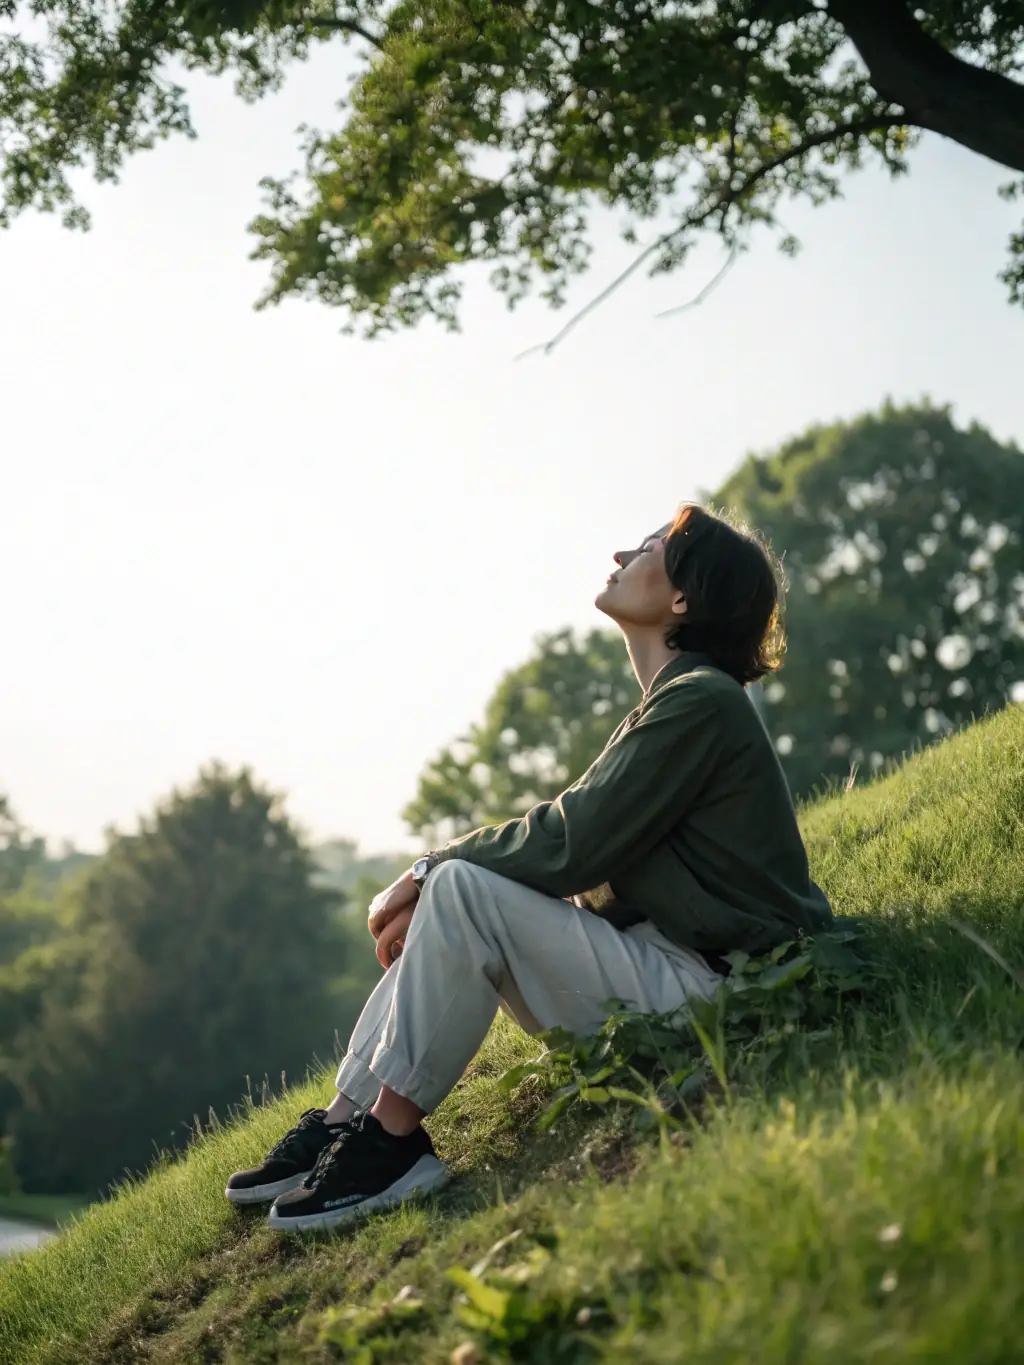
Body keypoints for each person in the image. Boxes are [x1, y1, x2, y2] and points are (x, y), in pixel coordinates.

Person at [225, 504, 832, 1232]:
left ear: (682, 598)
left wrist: (427, 870)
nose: (620, 553)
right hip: (664, 977)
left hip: (715, 999)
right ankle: (344, 1118)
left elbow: (571, 839)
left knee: (460, 888)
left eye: (647, 547)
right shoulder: (675, 703)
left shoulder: (701, 700)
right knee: (464, 893)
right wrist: (445, 903)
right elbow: (575, 852)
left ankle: (392, 1144)